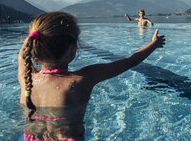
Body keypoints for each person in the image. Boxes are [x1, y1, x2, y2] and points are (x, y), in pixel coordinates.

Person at [18, 11, 165, 140]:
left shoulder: (26, 79)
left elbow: (22, 55)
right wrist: (154, 44)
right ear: (73, 49)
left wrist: (35, 34)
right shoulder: (81, 80)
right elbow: (131, 61)